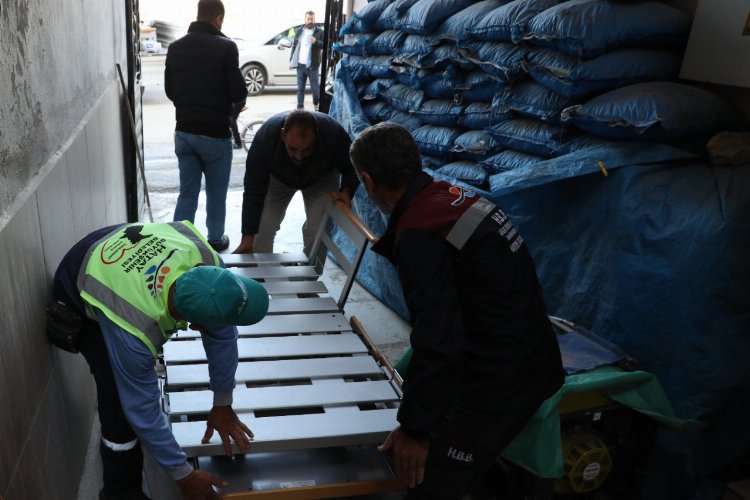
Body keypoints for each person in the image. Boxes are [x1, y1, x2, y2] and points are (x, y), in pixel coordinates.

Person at [349, 123, 565, 499]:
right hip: (531, 355)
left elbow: (437, 341)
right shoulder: (456, 197)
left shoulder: (419, 234)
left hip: (501, 378)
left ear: (368, 181)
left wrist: (416, 431)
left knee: (429, 479)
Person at [47, 220, 269, 500]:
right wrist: (184, 475)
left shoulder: (208, 265)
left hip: (122, 249)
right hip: (80, 284)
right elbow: (141, 407)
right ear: (195, 324)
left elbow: (223, 337)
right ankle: (120, 492)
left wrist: (222, 404)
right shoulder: (134, 328)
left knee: (133, 396)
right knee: (119, 403)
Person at [165, 0, 248, 252]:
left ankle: (179, 244)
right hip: (215, 135)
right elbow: (238, 91)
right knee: (215, 194)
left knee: (187, 193)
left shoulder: (175, 47)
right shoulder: (226, 47)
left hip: (184, 131)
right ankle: (214, 241)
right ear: (218, 19)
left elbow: (170, 91)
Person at [233, 110, 358, 256]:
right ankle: (260, 275)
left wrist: (346, 191)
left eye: (306, 149)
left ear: (316, 136)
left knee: (318, 233)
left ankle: (311, 274)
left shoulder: (333, 133)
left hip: (321, 179)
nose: (299, 157)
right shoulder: (265, 138)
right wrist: (247, 237)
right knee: (261, 231)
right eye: (293, 149)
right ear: (283, 135)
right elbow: (253, 189)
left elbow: (353, 166)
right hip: (278, 179)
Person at [289, 11, 323, 111]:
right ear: (305, 20)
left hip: (312, 66)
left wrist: (315, 42)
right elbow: (294, 47)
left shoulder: (319, 32)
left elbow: (326, 45)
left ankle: (316, 105)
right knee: (300, 89)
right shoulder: (299, 31)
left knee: (315, 90)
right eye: (308, 19)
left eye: (312, 19)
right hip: (300, 65)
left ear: (314, 19)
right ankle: (300, 109)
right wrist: (291, 61)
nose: (310, 21)